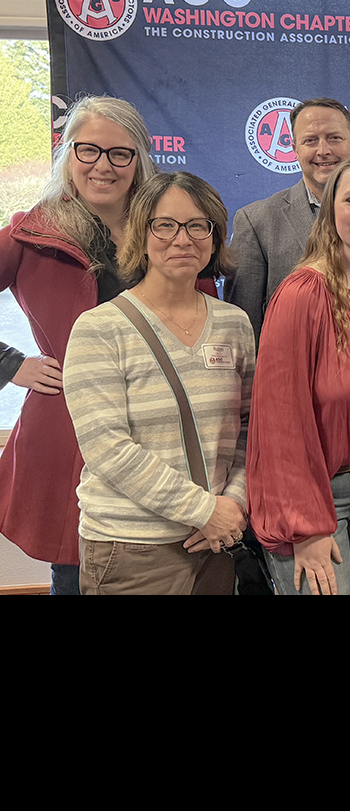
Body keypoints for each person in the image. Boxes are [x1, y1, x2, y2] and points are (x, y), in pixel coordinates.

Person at [63, 172, 254, 595]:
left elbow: (248, 427)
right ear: (141, 234)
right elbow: (107, 448)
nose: (182, 239)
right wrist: (205, 510)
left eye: (198, 225)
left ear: (215, 235)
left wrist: (233, 505)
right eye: (164, 225)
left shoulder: (233, 324)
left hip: (215, 544)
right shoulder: (100, 329)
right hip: (132, 551)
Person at [0, 96, 159, 595]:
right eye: (87, 150)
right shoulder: (31, 232)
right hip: (70, 432)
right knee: (77, 572)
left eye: (119, 153)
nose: (102, 166)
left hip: (159, 430)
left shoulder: (167, 230)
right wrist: (9, 364)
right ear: (67, 153)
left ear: (140, 161)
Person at [246, 157, 350, 595]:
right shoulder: (303, 294)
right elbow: (279, 421)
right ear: (330, 211)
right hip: (318, 496)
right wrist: (305, 527)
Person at [226, 98, 350, 341]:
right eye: (310, 140)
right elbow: (246, 326)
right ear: (295, 150)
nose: (323, 150)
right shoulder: (257, 221)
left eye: (334, 138)